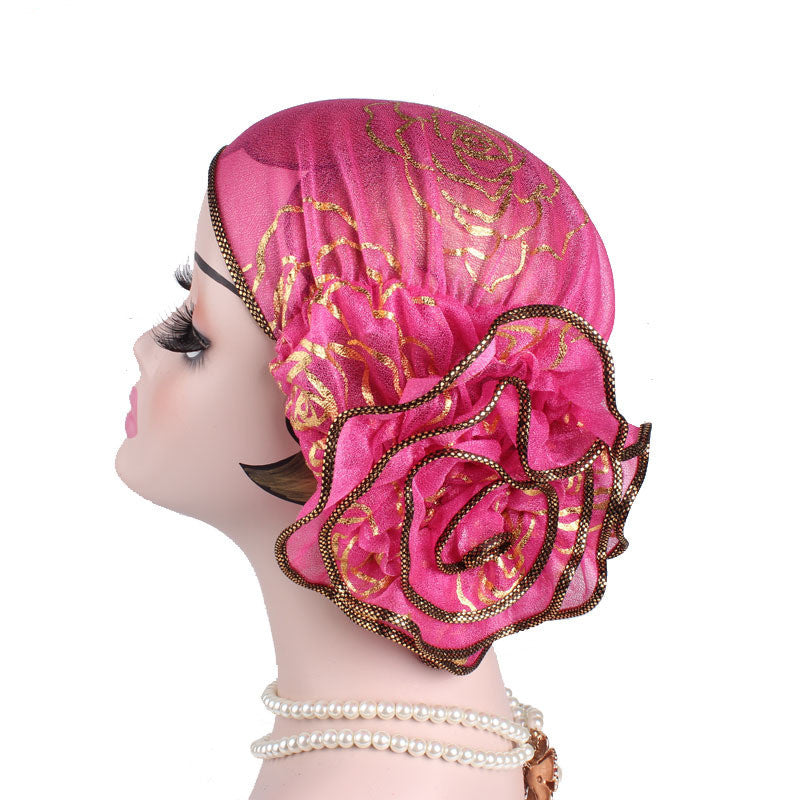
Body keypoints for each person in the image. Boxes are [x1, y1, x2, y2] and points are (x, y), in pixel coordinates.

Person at [115, 98, 651, 800]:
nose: (145, 346)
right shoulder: (437, 754)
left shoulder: (353, 786)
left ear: (335, 401)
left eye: (194, 336)